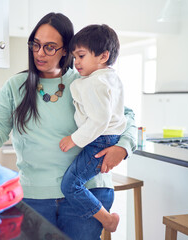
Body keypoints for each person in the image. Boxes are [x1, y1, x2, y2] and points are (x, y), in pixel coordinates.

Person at [0, 12, 137, 240]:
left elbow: (124, 116)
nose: (39, 53)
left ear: (66, 50)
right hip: (35, 196)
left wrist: (123, 147)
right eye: (35, 45)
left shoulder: (87, 80)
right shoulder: (16, 86)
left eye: (49, 47)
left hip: (89, 190)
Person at [59, 24, 126, 233]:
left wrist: (75, 139)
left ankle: (107, 220)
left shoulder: (95, 83)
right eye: (74, 57)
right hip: (107, 137)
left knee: (71, 185)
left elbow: (99, 120)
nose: (76, 62)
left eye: (81, 56)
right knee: (73, 183)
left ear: (103, 56)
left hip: (100, 140)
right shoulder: (109, 78)